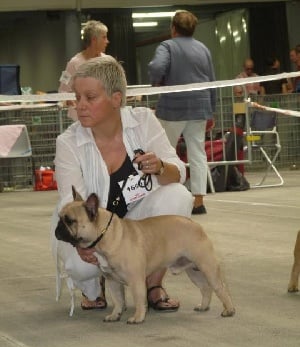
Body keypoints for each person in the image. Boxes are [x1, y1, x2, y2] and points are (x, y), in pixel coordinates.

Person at [51, 55, 194, 313]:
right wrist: (81, 243)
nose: (80, 105)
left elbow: (180, 172)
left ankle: (152, 284)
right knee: (82, 268)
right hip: (88, 225)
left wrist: (161, 167)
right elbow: (69, 202)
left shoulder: (144, 121)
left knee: (178, 197)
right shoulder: (67, 142)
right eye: (77, 97)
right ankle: (96, 286)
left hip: (134, 225)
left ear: (116, 99)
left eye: (90, 97)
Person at [148, 10, 216, 215]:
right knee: (198, 153)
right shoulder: (203, 49)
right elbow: (213, 80)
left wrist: (156, 81)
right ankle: (198, 201)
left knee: (164, 152)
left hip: (173, 108)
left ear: (173, 28)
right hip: (200, 107)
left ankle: (166, 197)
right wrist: (211, 110)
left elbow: (157, 66)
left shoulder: (167, 46)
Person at [58, 20, 109, 120]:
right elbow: (62, 89)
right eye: (104, 37)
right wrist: (68, 100)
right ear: (94, 40)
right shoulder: (73, 64)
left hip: (102, 116)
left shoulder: (108, 61)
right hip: (80, 118)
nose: (107, 41)